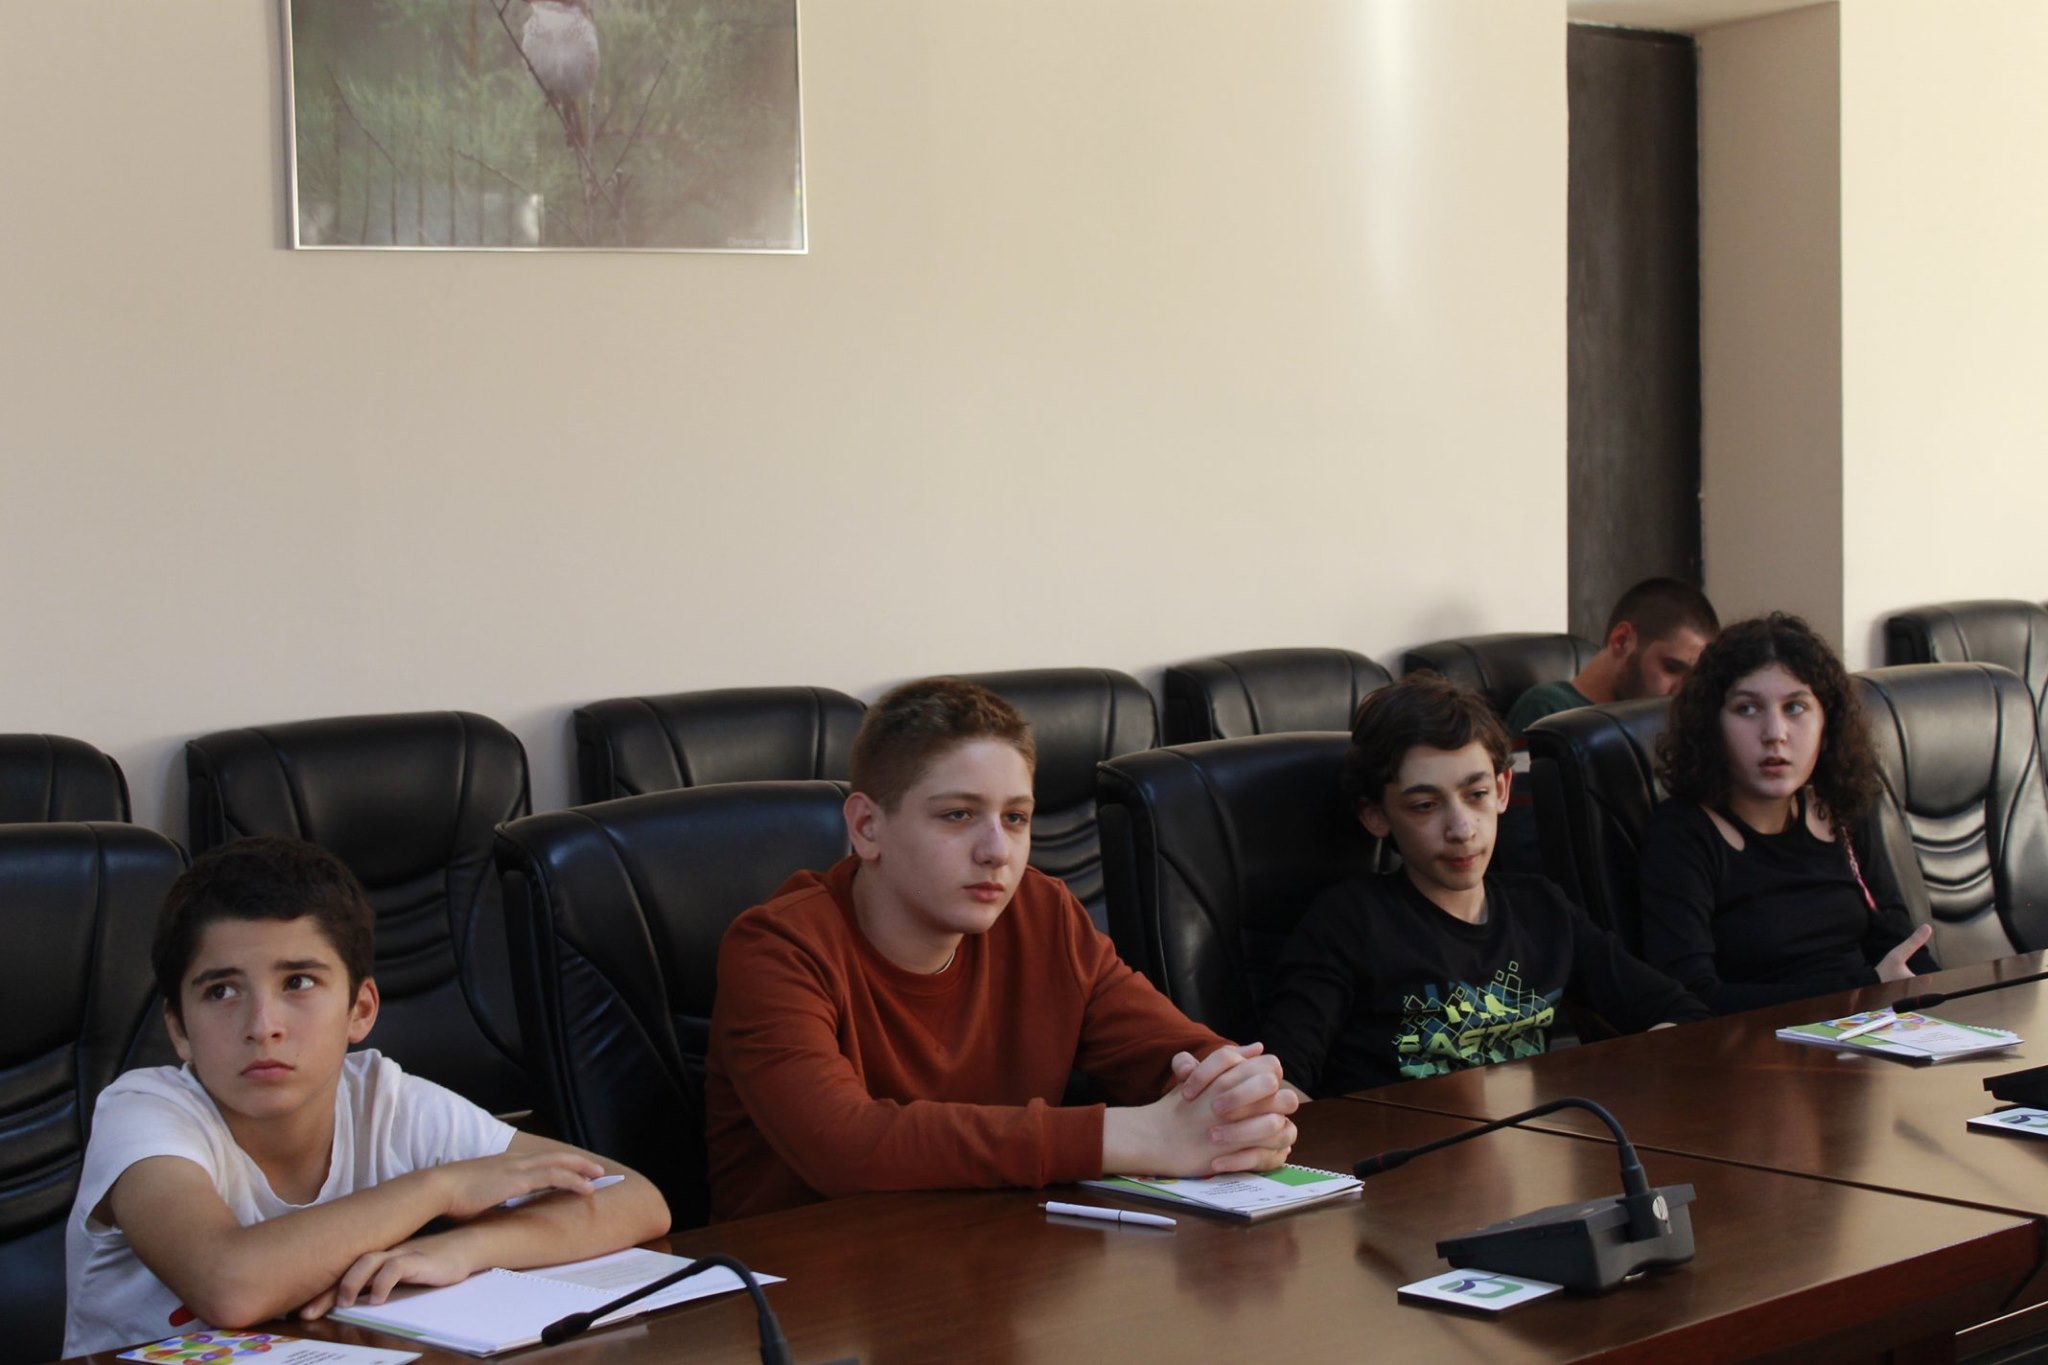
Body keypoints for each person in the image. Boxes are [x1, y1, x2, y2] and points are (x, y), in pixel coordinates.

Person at [705, 677, 1300, 1221]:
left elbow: (1175, 1053)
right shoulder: (776, 947)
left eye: (1016, 818)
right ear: (866, 827)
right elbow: (844, 1145)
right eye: (958, 814)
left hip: (993, 1260)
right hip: (805, 1282)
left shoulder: (1043, 912)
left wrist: (1240, 1099)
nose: (997, 851)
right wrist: (1134, 1137)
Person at [64, 837, 670, 1356]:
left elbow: (634, 1199)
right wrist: (441, 1188)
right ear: (178, 1028)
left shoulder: (384, 1099)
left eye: (298, 982)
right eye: (222, 991)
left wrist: (469, 1246)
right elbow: (231, 1286)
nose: (263, 1026)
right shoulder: (144, 1112)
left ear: (360, 1009)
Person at [1261, 674, 1705, 1098]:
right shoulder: (1350, 923)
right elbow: (1282, 1079)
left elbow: (1682, 1014)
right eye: (1425, 805)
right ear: (1376, 815)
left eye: (1476, 795)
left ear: (1502, 789)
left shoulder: (1542, 909)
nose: (1462, 829)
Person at [1638, 613, 1937, 1014]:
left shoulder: (1842, 811)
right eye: (1747, 709)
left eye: (1795, 707)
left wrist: (1957, 1004)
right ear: (1712, 724)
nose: (1774, 733)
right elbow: (1693, 998)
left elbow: (1901, 948)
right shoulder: (1682, 833)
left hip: (1875, 1033)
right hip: (1759, 1045)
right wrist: (1864, 988)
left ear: (1827, 721)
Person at [1505, 577, 1721, 735]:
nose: (1681, 691)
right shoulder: (1547, 709)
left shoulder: (1664, 725)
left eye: (1692, 679)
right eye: (1671, 668)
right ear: (1622, 640)